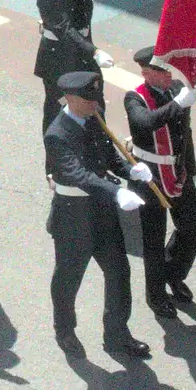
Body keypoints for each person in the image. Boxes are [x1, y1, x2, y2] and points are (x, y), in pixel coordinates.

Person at [45, 71, 153, 360]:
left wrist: (130, 170)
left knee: (119, 273)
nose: (95, 103)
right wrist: (115, 191)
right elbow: (77, 174)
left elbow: (108, 155)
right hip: (73, 217)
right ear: (70, 98)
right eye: (88, 99)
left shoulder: (94, 116)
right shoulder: (57, 134)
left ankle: (116, 334)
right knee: (69, 279)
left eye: (96, 97)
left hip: (101, 213)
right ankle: (64, 329)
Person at [123, 46, 196, 316]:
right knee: (153, 240)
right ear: (146, 73)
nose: (169, 73)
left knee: (193, 227)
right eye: (162, 69)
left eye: (169, 68)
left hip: (178, 171)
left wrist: (189, 170)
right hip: (151, 176)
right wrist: (177, 104)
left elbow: (184, 134)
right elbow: (146, 123)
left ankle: (173, 273)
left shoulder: (177, 88)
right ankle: (155, 296)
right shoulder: (135, 98)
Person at [33, 0, 114, 148]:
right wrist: (94, 51)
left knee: (94, 101)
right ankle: (54, 164)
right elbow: (65, 30)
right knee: (58, 108)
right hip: (59, 58)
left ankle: (101, 151)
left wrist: (89, 50)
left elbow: (83, 18)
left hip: (81, 52)